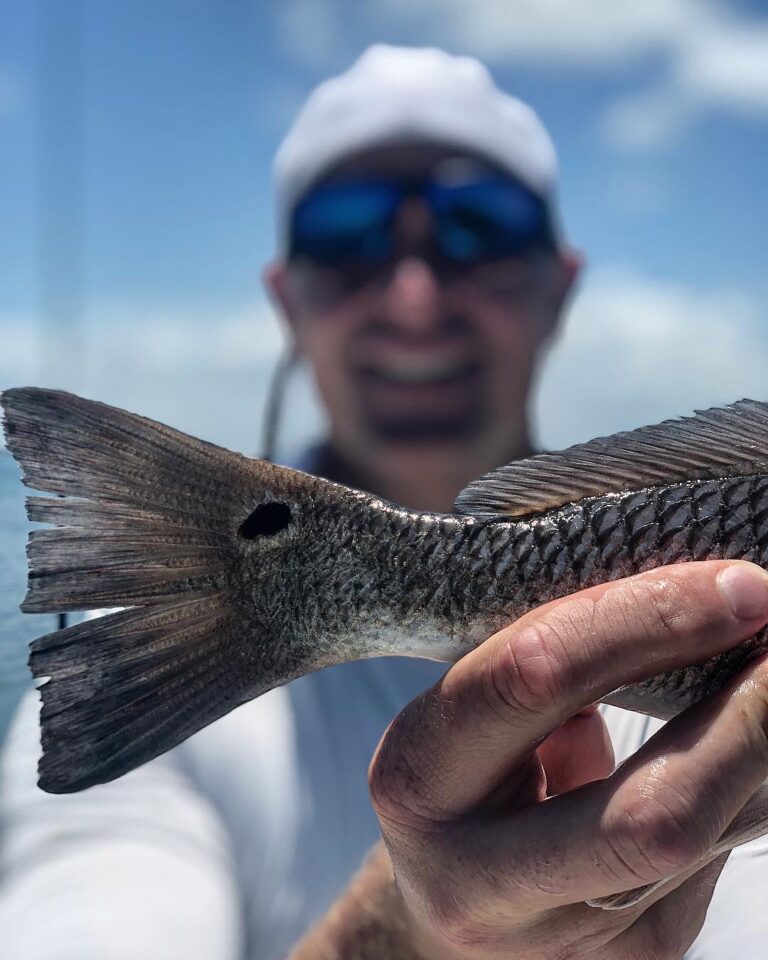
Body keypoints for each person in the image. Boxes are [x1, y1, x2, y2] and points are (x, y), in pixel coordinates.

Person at [3, 44, 768, 960]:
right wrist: (409, 936)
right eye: (348, 231)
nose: (414, 292)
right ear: (288, 300)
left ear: (558, 287)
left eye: (478, 225)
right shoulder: (159, 614)